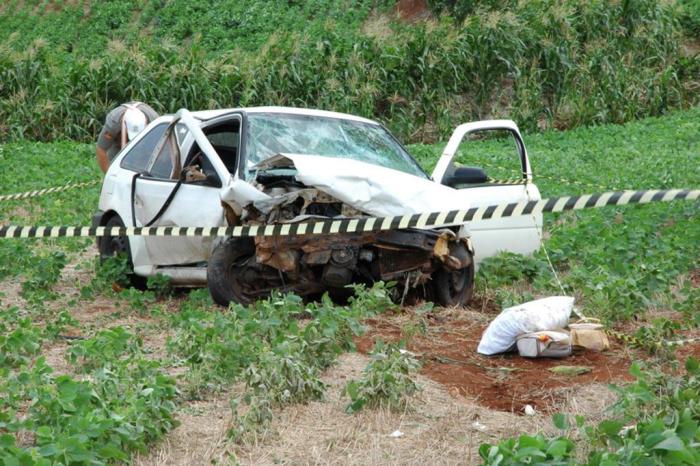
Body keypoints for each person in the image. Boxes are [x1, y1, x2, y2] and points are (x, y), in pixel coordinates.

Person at [96, 101, 159, 173]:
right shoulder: (114, 121)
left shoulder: (154, 121)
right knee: (114, 164)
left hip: (146, 146)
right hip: (118, 143)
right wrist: (109, 175)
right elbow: (101, 149)